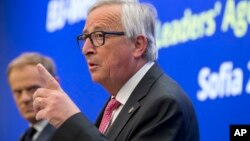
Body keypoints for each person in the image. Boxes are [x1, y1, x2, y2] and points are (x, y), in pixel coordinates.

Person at [33, 0, 199, 141]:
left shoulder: (165, 104)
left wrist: (70, 119)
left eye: (99, 36)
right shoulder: (116, 104)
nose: (86, 49)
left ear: (138, 45)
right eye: (85, 38)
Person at [7, 52, 56, 141]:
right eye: (18, 92)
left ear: (54, 85)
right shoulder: (25, 137)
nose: (24, 98)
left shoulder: (72, 135)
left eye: (32, 89)